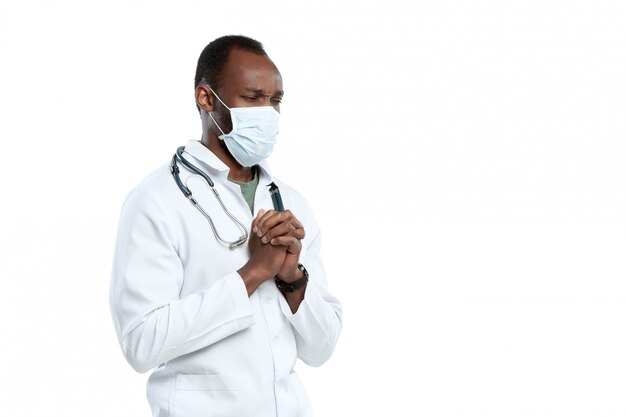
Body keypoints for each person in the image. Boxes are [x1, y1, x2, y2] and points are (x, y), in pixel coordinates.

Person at [109, 35, 342, 417]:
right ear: (206, 98)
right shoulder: (155, 201)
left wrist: (291, 278)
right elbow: (141, 343)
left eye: (275, 100)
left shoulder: (291, 202)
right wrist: (251, 274)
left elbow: (322, 349)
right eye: (252, 98)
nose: (267, 112)